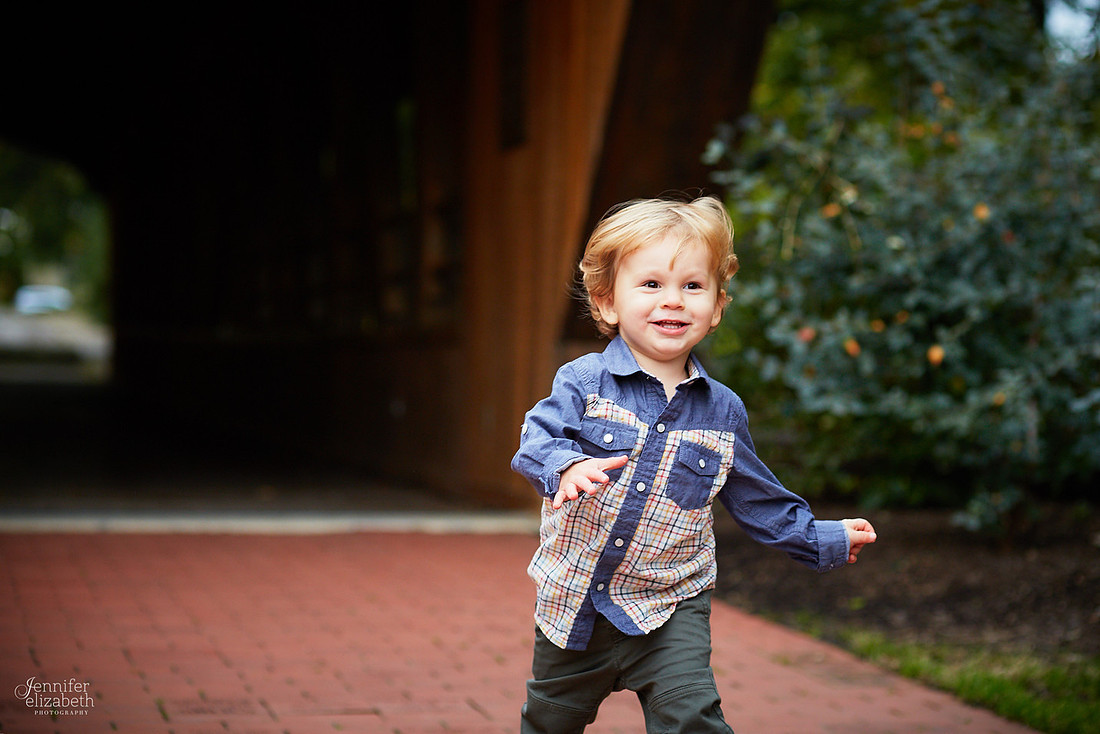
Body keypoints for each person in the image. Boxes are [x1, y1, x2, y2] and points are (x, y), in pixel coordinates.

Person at [510, 195, 877, 733]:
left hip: (670, 605)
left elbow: (755, 496)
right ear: (608, 302)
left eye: (692, 286)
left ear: (717, 306)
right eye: (652, 284)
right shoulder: (583, 381)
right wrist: (564, 466)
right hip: (575, 604)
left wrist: (819, 539)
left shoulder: (722, 411)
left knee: (692, 717)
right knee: (550, 722)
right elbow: (536, 437)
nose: (674, 301)